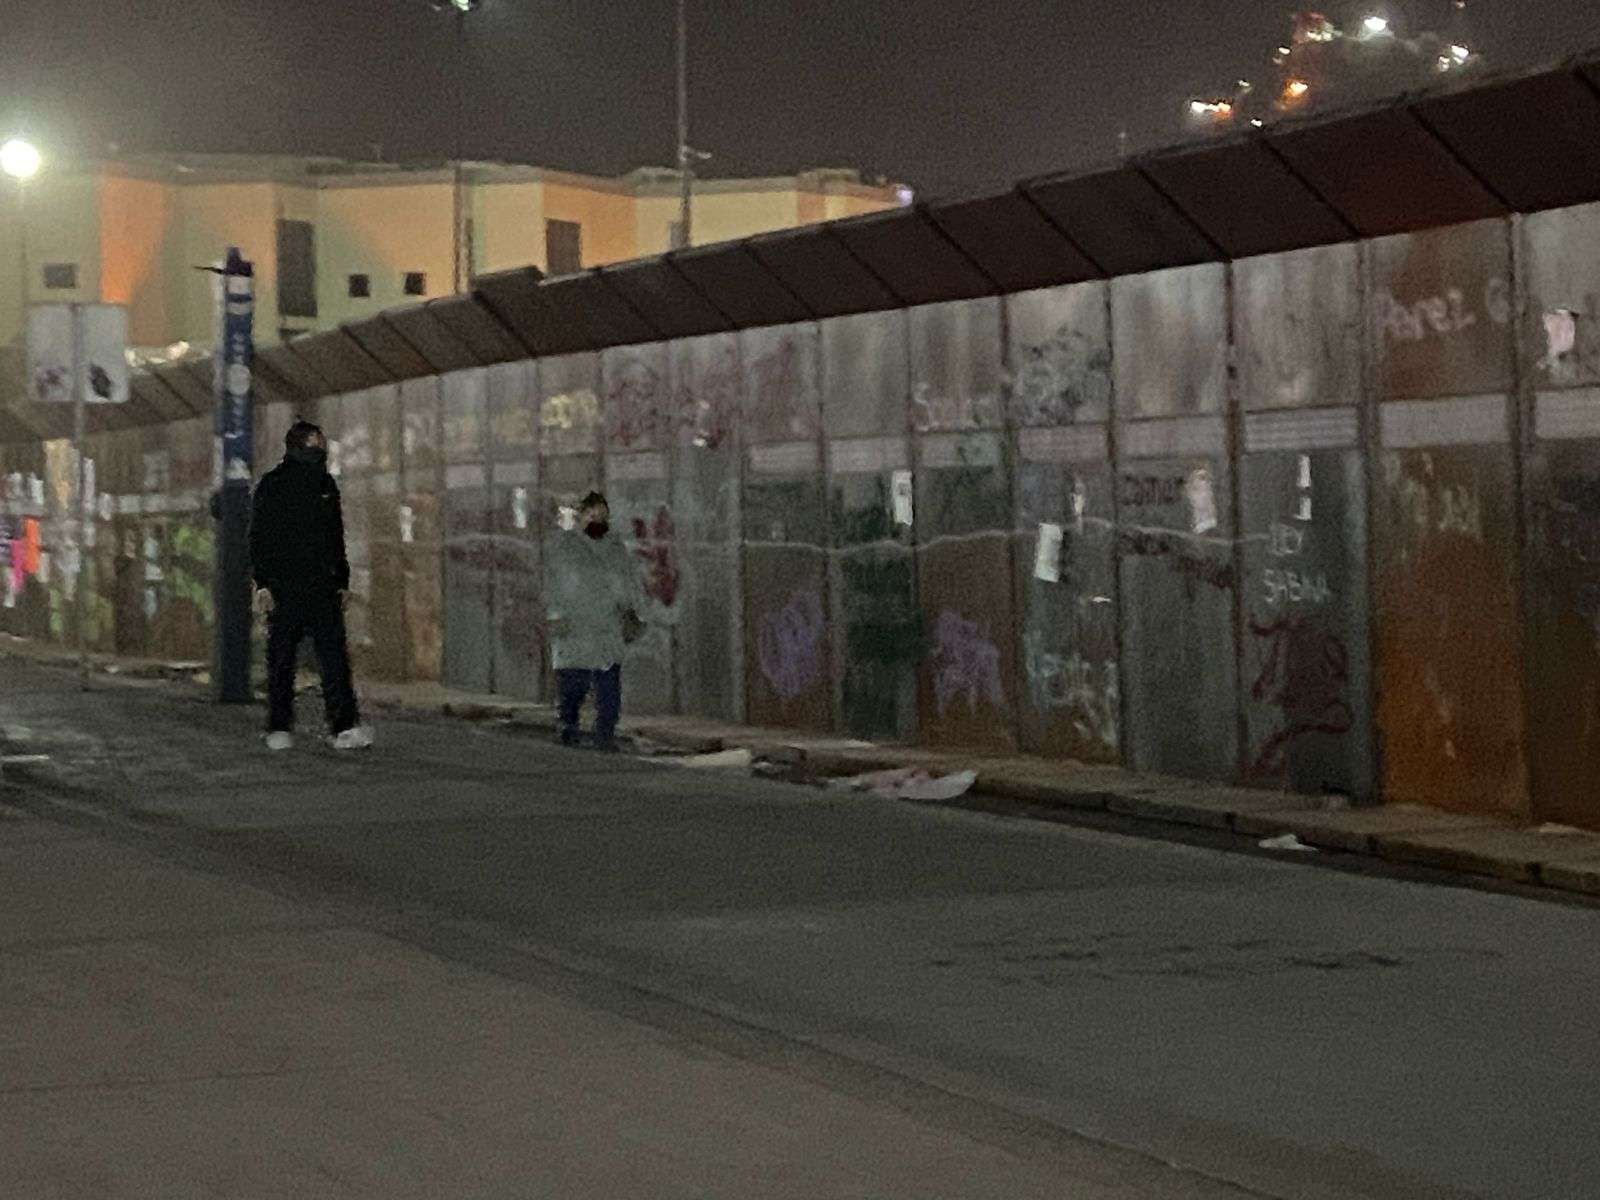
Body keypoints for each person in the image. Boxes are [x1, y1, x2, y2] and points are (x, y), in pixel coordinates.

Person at [250, 419, 372, 752]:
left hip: (318, 586)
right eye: (314, 445)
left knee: (325, 660)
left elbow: (335, 537)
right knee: (287, 660)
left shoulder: (323, 485)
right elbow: (260, 537)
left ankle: (335, 726)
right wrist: (263, 583)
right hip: (288, 586)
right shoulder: (276, 486)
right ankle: (283, 725)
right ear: (296, 446)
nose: (320, 451)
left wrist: (341, 581)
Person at [545, 491, 644, 751]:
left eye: (603, 516)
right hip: (574, 627)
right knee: (574, 686)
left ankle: (605, 735)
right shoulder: (565, 547)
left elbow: (627, 582)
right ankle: (568, 725)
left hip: (607, 627)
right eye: (593, 515)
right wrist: (555, 615)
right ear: (581, 517)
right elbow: (552, 583)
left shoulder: (616, 548)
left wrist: (632, 612)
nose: (598, 520)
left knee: (609, 687)